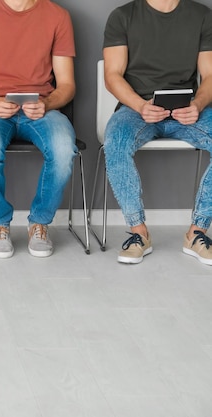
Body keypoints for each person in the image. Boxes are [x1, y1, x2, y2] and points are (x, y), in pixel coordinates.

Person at [0, 0, 77, 259]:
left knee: (65, 149)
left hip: (41, 110)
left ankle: (39, 223)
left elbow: (67, 84)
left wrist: (46, 103)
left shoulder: (57, 16)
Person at [103, 0, 212, 265]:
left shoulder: (201, 16)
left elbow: (210, 74)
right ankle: (138, 232)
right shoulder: (122, 16)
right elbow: (112, 75)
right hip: (136, 108)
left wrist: (197, 104)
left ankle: (197, 232)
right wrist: (140, 105)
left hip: (187, 108)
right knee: (115, 142)